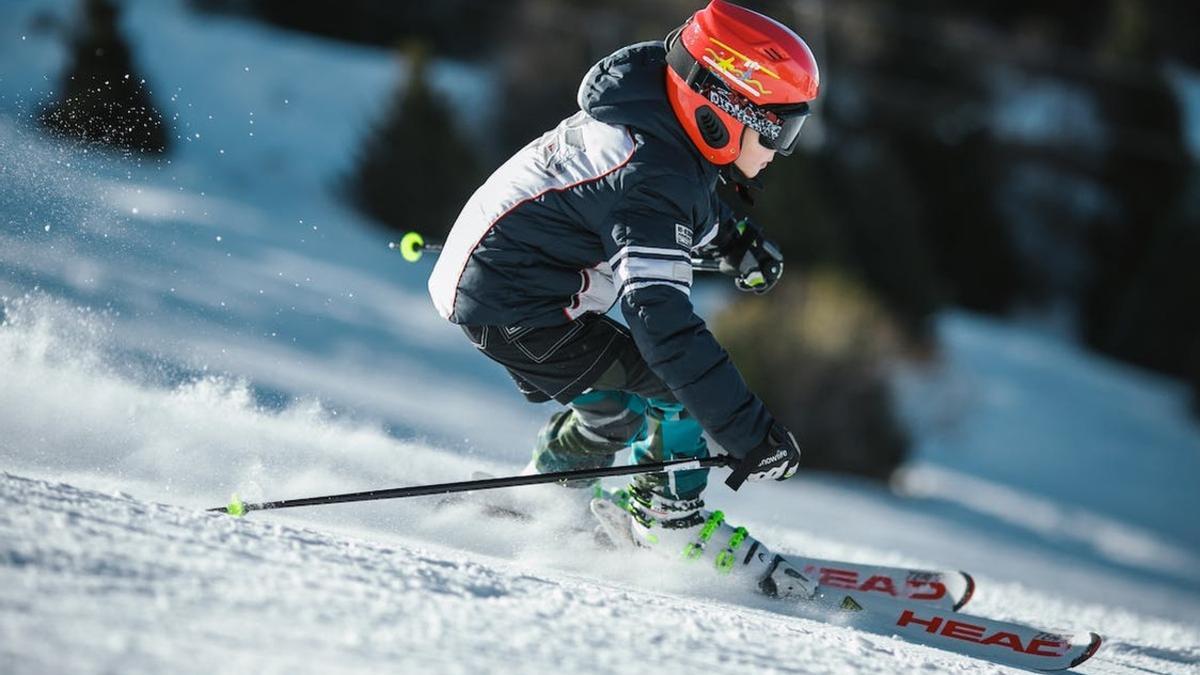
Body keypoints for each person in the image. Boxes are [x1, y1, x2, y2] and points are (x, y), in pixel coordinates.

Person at [428, 0, 820, 597]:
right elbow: (660, 323)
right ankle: (668, 520)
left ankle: (548, 492)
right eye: (778, 129)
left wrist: (735, 240)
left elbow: (681, 199)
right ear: (725, 110)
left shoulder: (653, 124)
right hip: (521, 308)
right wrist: (748, 433)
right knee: (678, 393)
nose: (779, 150)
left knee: (618, 406)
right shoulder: (650, 177)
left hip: (506, 289)